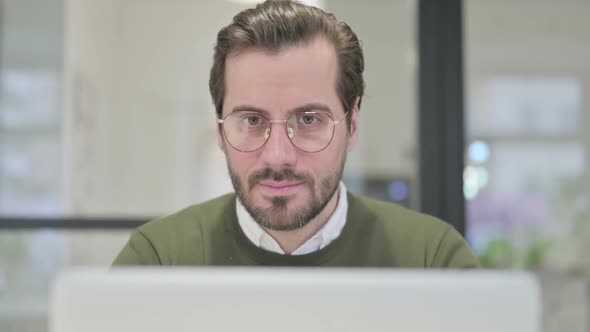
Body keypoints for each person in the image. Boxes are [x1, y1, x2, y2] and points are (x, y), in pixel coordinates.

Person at [113, 0, 479, 268]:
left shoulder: (432, 260)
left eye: (308, 121)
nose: (277, 157)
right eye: (252, 121)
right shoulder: (158, 261)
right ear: (221, 131)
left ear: (352, 125)